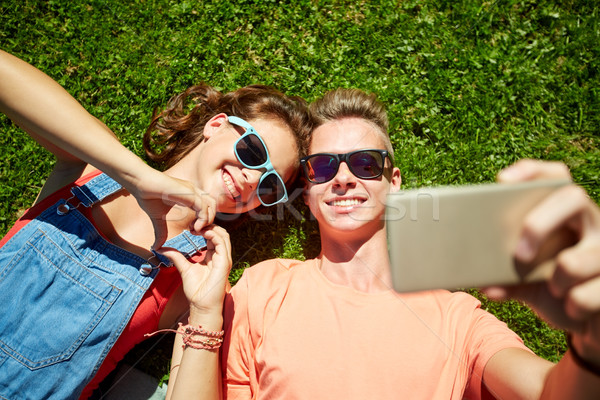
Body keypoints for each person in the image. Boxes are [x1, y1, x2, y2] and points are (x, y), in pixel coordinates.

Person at [164, 88, 600, 399]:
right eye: (322, 168)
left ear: (393, 183)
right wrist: (204, 312)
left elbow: (547, 391)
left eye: (365, 163)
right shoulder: (263, 288)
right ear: (309, 193)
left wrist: (592, 340)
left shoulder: (456, 317)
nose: (344, 178)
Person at [0, 50, 312, 400]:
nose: (252, 177)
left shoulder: (197, 276)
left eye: (270, 184)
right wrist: (138, 177)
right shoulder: (90, 168)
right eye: (253, 151)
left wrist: (207, 313)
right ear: (216, 126)